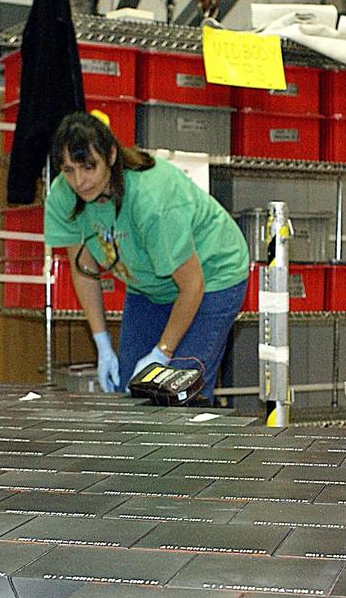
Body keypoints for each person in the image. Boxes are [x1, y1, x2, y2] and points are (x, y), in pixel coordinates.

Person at [42, 112, 249, 402]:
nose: (80, 180)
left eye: (89, 167)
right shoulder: (64, 196)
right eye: (68, 170)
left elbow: (192, 285)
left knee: (179, 390)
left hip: (212, 276)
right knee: (131, 389)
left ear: (111, 155)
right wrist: (101, 343)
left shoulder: (152, 200)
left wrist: (162, 352)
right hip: (149, 286)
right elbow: (84, 269)